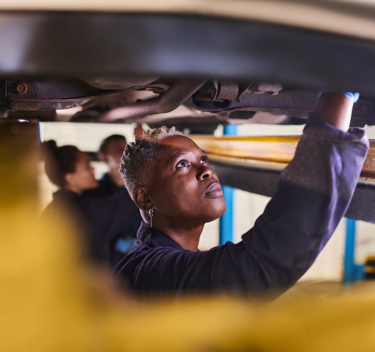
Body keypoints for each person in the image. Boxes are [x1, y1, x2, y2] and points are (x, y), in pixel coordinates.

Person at [114, 92, 369, 297]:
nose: (206, 170)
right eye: (182, 164)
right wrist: (338, 97)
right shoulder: (150, 273)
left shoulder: (154, 261)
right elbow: (262, 263)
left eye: (203, 158)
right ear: (144, 198)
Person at [40, 141, 142, 266]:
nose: (92, 168)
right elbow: (123, 205)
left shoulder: (52, 209)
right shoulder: (80, 210)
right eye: (87, 166)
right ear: (70, 178)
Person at [82, 133, 143, 264]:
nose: (126, 152)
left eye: (127, 147)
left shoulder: (147, 190)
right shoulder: (93, 195)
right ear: (104, 158)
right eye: (118, 150)